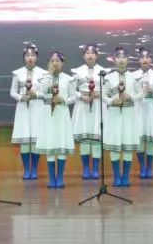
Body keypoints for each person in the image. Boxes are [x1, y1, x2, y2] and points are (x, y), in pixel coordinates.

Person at [36, 51, 77, 189]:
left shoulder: (69, 79)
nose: (55, 63)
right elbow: (41, 92)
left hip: (62, 114)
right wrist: (49, 75)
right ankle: (51, 178)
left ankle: (60, 177)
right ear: (48, 63)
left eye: (58, 61)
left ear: (62, 63)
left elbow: (73, 97)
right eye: (52, 61)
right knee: (50, 144)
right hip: (48, 115)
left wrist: (63, 100)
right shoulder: (43, 78)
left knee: (60, 145)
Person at [102, 47, 141, 187]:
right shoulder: (108, 78)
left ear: (128, 60)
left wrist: (130, 97)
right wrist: (111, 101)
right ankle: (116, 176)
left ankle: (126, 176)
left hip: (129, 114)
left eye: (124, 57)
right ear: (114, 60)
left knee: (128, 145)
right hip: (114, 114)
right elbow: (103, 95)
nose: (121, 60)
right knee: (115, 145)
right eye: (118, 57)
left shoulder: (134, 77)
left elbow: (140, 94)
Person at [10, 44, 47, 181]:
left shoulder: (44, 74)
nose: (30, 58)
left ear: (37, 57)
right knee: (25, 140)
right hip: (23, 109)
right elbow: (12, 92)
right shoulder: (17, 73)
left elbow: (46, 93)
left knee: (36, 140)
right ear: (24, 57)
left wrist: (36, 94)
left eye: (33, 55)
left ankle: (34, 169)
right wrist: (21, 97)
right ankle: (26, 169)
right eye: (27, 55)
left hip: (37, 108)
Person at [71, 44, 105, 180]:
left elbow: (108, 89)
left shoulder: (103, 71)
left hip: (98, 106)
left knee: (96, 137)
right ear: (83, 56)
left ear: (97, 56)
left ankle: (95, 169)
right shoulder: (77, 71)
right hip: (82, 105)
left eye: (93, 53)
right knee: (85, 138)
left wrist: (100, 93)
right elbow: (71, 90)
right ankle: (85, 168)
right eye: (87, 53)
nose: (90, 55)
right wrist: (80, 96)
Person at [131, 47, 153, 179]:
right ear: (138, 60)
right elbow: (130, 94)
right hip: (138, 108)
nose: (145, 59)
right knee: (139, 138)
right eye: (142, 57)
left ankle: (149, 168)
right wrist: (139, 94)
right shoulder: (132, 76)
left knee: (150, 139)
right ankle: (142, 167)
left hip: (151, 108)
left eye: (147, 57)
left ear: (151, 59)